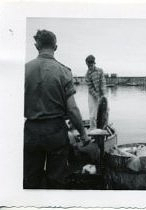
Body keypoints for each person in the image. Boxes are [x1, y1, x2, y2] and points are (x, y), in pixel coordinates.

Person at [24, 29, 88, 189]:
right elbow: (72, 109)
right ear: (56, 47)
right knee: (56, 180)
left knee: (31, 179)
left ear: (36, 46)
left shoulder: (24, 70)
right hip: (55, 132)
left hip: (31, 130)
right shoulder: (63, 71)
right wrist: (84, 135)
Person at [85, 55, 106, 129]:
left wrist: (103, 95)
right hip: (92, 95)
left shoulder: (100, 71)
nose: (90, 67)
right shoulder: (87, 75)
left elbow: (103, 83)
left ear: (94, 63)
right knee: (93, 113)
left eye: (91, 65)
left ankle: (103, 126)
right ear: (87, 64)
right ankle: (92, 129)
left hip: (101, 93)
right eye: (88, 65)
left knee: (105, 110)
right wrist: (97, 96)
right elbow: (90, 88)